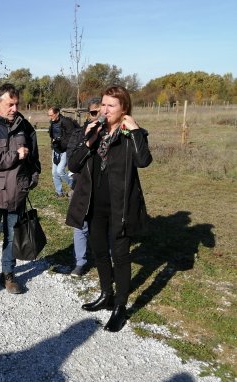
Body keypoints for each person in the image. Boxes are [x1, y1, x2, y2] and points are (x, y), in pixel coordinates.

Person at [66, 86, 152, 332]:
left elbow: (143, 161)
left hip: (120, 206)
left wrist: (134, 130)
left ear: (124, 109)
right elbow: (73, 163)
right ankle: (106, 294)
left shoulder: (131, 135)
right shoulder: (95, 131)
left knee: (121, 255)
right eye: (103, 105)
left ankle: (120, 307)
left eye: (110, 106)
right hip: (94, 205)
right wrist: (88, 141)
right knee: (100, 251)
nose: (104, 110)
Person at [0, 83, 41, 294]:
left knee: (12, 238)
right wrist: (14, 155)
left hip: (17, 194)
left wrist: (31, 180)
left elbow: (35, 159)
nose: (14, 108)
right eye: (10, 104)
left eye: (16, 104)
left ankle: (8, 275)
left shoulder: (26, 128)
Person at [66, 98, 102, 277]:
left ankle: (104, 256)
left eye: (102, 111)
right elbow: (72, 160)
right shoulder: (79, 133)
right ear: (89, 113)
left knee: (103, 223)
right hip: (81, 184)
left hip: (103, 186)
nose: (98, 116)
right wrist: (86, 139)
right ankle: (80, 262)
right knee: (80, 224)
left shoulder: (111, 133)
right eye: (94, 112)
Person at [48, 106, 76, 197]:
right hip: (56, 149)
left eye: (51, 115)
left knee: (60, 171)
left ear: (57, 114)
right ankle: (59, 192)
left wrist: (61, 141)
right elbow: (52, 134)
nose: (50, 117)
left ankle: (75, 186)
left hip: (65, 150)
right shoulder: (52, 122)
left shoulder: (66, 122)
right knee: (54, 172)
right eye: (49, 115)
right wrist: (54, 143)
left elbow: (72, 136)